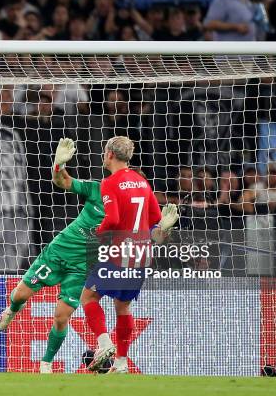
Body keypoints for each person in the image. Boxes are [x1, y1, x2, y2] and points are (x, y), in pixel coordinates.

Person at [0, 138, 102, 374]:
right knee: (20, 294)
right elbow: (62, 181)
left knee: (62, 317)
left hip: (82, 265)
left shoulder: (128, 209)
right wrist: (59, 165)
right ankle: (12, 310)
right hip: (58, 251)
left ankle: (46, 363)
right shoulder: (98, 188)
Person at [81, 136, 179, 373]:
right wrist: (164, 228)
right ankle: (121, 363)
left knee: (88, 298)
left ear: (110, 155)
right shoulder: (142, 182)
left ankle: (104, 345)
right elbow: (156, 223)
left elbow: (113, 219)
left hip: (118, 252)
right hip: (141, 254)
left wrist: (97, 231)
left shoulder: (110, 183)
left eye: (105, 152)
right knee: (123, 307)